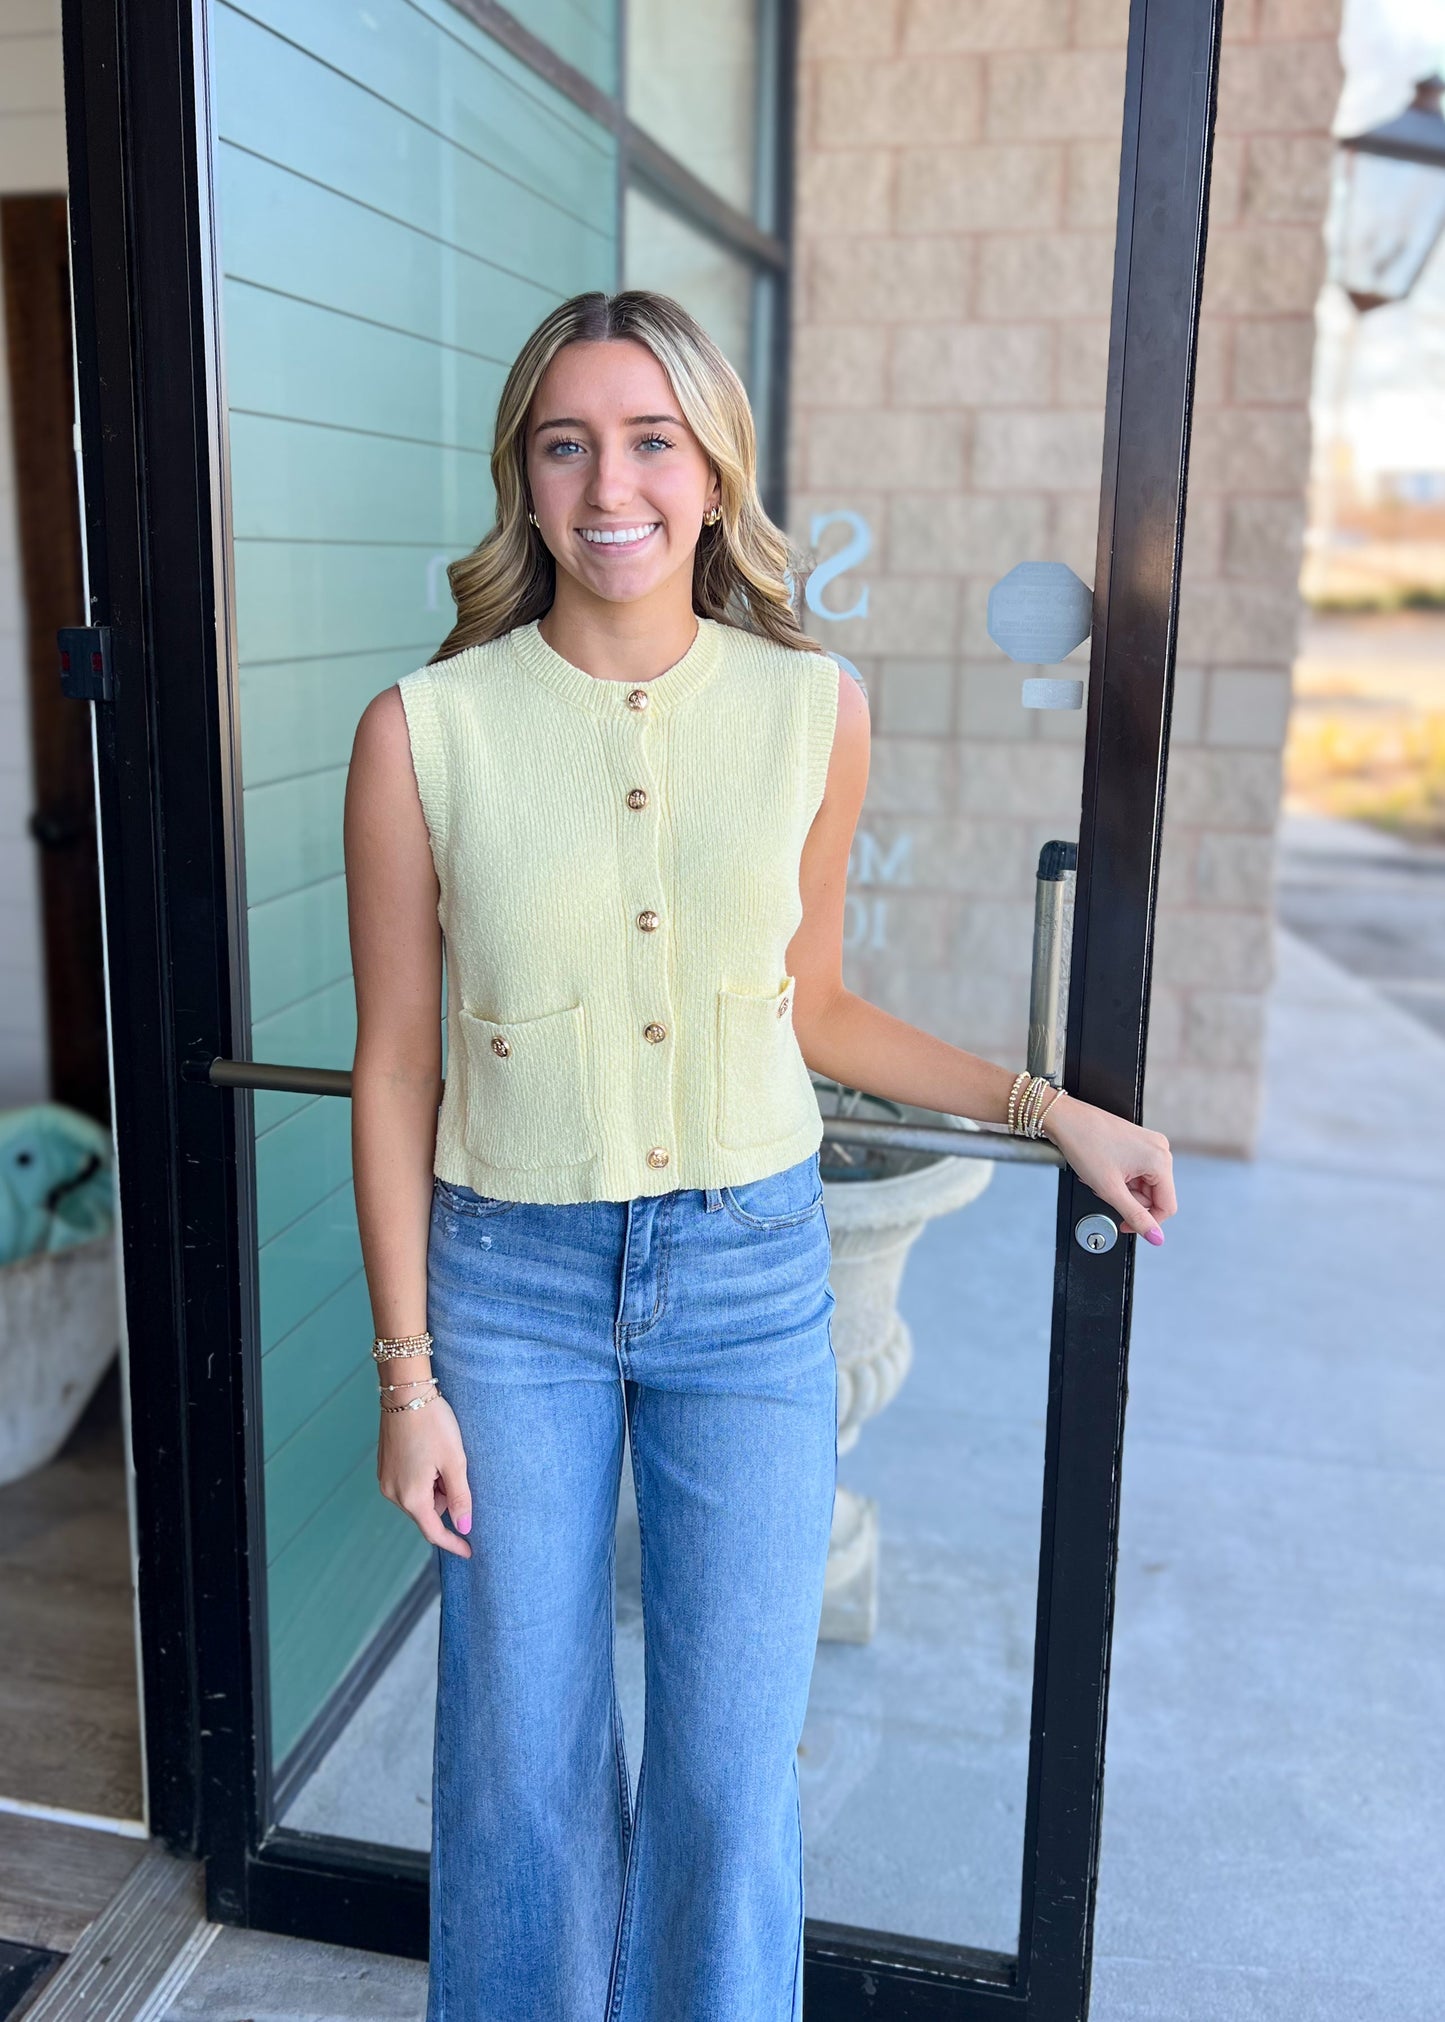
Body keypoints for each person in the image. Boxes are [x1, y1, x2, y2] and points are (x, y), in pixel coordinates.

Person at [342, 288, 1177, 2022]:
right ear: (523, 479)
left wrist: (1047, 1108)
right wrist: (404, 1371)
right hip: (510, 1293)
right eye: (565, 442)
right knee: (521, 1765)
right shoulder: (427, 730)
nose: (609, 483)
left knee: (729, 1779)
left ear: (714, 473)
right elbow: (398, 1064)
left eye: (651, 439)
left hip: (744, 1281)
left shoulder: (812, 709)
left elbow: (813, 1006)